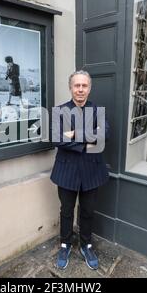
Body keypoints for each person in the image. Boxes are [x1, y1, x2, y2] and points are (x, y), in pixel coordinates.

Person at [50, 70, 110, 270]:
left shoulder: (98, 111)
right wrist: (88, 141)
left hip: (92, 172)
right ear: (71, 88)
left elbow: (104, 135)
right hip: (66, 171)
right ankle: (65, 244)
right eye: (77, 85)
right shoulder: (60, 111)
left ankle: (86, 244)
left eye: (84, 86)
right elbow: (58, 139)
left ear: (89, 88)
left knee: (87, 211)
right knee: (66, 211)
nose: (81, 89)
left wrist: (75, 133)